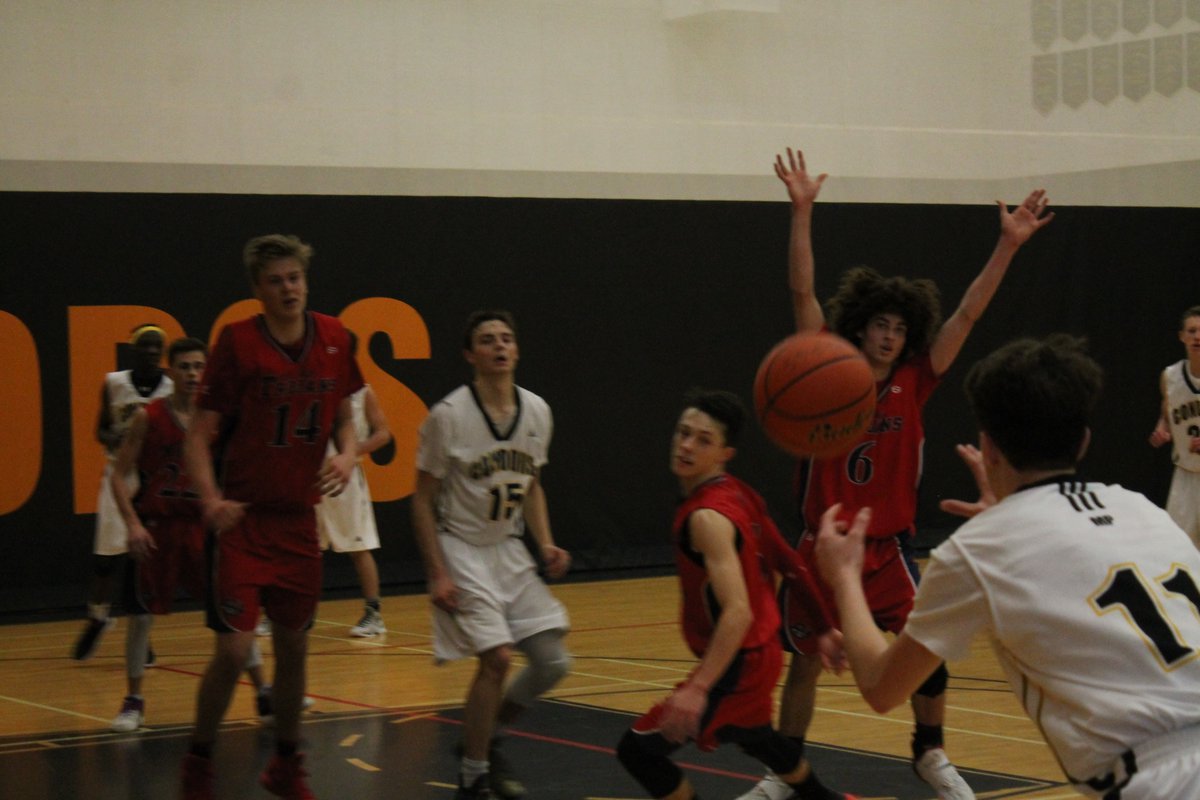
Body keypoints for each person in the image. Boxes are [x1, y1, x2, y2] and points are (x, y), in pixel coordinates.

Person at [740, 148, 1054, 800]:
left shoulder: (917, 377)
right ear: (861, 326)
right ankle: (785, 771)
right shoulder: (823, 372)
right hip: (821, 545)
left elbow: (967, 313)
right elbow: (802, 291)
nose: (888, 335)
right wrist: (801, 212)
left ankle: (929, 754)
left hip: (886, 550)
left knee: (926, 651)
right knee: (802, 664)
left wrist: (1008, 247)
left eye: (898, 327)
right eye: (879, 324)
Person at [816, 334, 1200, 799]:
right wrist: (1010, 519)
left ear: (988, 446)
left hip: (1165, 781)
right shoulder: (1141, 508)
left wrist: (844, 579)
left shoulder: (983, 547)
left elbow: (880, 687)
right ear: (1083, 441)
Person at [180, 234, 363, 800]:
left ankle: (286, 764)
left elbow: (347, 419)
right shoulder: (236, 343)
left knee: (294, 648)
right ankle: (199, 761)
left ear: (306, 281)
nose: (289, 288)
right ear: (257, 290)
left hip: (297, 520)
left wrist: (349, 454)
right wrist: (209, 500)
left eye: (295, 278)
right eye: (276, 280)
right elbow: (199, 434)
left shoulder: (335, 337)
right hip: (245, 520)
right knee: (234, 650)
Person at [616, 390, 851, 800]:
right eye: (683, 433)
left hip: (740, 660)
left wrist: (698, 687)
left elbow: (737, 612)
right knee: (758, 737)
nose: (686, 445)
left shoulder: (707, 518)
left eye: (703, 440)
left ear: (725, 452)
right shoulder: (740, 492)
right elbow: (790, 562)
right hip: (761, 653)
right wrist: (825, 627)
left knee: (638, 751)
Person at [412, 310, 572, 800]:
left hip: (508, 547)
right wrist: (437, 572)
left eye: (507, 338)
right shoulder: (449, 416)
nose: (499, 346)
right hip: (462, 547)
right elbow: (420, 498)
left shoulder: (538, 411)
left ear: (517, 350)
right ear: (470, 355)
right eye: (487, 340)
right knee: (498, 658)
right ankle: (473, 776)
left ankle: (483, 738)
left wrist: (544, 541)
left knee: (552, 663)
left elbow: (533, 486)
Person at [107, 337, 277, 732]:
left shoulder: (216, 419)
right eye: (184, 367)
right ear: (171, 371)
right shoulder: (148, 417)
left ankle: (264, 691)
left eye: (198, 367)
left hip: (204, 528)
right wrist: (132, 523)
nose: (192, 374)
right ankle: (134, 699)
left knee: (234, 613)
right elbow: (117, 475)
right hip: (160, 527)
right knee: (141, 617)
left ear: (207, 372)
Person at [255, 331, 392, 641]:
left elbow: (383, 433)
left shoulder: (361, 391)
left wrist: (351, 453)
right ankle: (286, 612)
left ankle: (373, 613)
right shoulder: (310, 385)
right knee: (301, 548)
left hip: (344, 480)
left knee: (358, 546)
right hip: (307, 475)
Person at [73, 324, 174, 661]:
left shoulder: (171, 388)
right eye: (144, 345)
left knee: (140, 564)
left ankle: (140, 637)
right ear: (133, 350)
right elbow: (101, 428)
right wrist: (112, 436)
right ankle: (98, 618)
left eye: (156, 346)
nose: (150, 351)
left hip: (152, 481)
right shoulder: (114, 383)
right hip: (118, 474)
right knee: (105, 561)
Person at [1148, 305, 1200, 546]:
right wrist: (1163, 428)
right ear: (1182, 336)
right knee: (1178, 547)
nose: (1197, 336)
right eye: (1192, 330)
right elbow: (1167, 410)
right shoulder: (1170, 376)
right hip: (1185, 474)